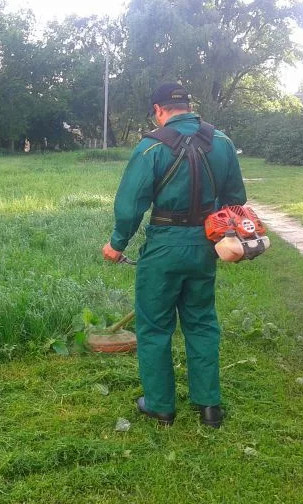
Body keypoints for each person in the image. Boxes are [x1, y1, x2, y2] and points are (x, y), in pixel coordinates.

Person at [102, 83, 246, 428]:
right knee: (201, 322)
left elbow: (131, 202)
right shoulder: (222, 143)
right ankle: (210, 406)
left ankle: (160, 405)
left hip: (164, 246)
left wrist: (117, 243)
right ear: (189, 107)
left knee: (154, 326)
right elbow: (235, 200)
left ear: (159, 110)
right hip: (204, 247)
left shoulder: (151, 147)